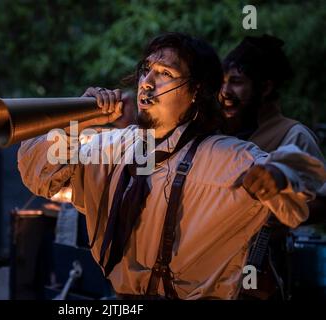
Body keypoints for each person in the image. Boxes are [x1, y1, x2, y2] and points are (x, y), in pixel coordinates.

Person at [17, 32, 326, 299]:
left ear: (196, 92)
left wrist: (280, 174)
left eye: (165, 73)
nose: (147, 83)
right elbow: (35, 171)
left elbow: (303, 182)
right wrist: (79, 115)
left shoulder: (223, 157)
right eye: (146, 70)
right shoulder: (110, 147)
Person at [219, 34, 326, 300]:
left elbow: (323, 202)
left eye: (236, 82)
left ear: (265, 88)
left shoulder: (294, 135)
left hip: (262, 275)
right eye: (222, 82)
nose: (225, 92)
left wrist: (270, 211)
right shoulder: (218, 134)